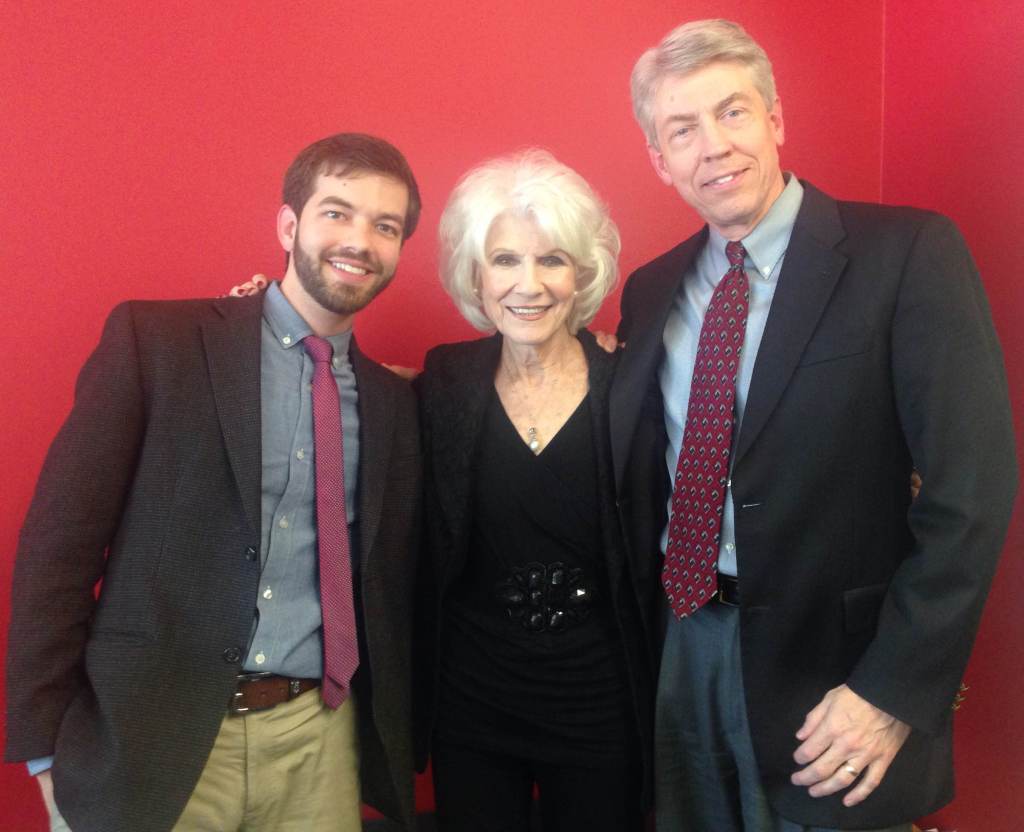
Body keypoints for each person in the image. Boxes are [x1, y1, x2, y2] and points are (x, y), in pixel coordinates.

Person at [612, 19, 1018, 832]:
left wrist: (893, 690)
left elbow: (971, 494)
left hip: (837, 678)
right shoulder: (650, 291)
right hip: (680, 648)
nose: (714, 146)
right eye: (682, 130)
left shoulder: (906, 254)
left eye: (733, 112)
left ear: (775, 120)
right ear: (660, 160)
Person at [5, 133, 422, 832]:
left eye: (385, 226)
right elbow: (58, 549)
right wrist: (42, 748)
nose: (360, 241)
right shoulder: (159, 344)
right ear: (289, 225)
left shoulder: (395, 404)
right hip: (152, 738)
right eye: (337, 213)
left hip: (318, 745)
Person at [414, 150, 658, 832]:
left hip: (600, 703)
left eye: (552, 260)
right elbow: (363, 402)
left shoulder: (628, 381)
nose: (529, 284)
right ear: (476, 274)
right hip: (474, 704)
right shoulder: (445, 380)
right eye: (505, 261)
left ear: (581, 275)